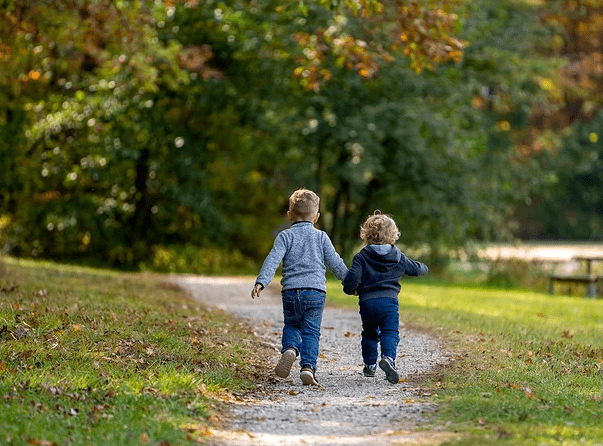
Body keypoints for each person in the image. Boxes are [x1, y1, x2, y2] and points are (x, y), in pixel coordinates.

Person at [251, 188, 348, 386]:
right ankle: (308, 368)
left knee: (292, 324)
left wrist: (261, 281)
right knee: (311, 331)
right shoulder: (321, 237)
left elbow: (272, 260)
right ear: (317, 216)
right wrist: (350, 282)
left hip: (290, 292)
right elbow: (335, 263)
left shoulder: (285, 237)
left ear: (289, 215)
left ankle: (290, 349)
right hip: (315, 292)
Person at [343, 211, 428, 384]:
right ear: (393, 235)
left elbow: (352, 279)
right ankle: (388, 359)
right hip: (389, 303)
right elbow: (416, 269)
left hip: (367, 303)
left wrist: (350, 289)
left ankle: (369, 365)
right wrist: (424, 268)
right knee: (389, 332)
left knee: (369, 333)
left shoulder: (361, 256)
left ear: (366, 235)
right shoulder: (398, 257)